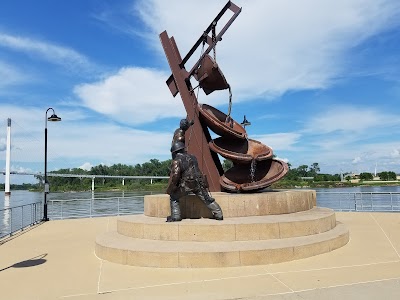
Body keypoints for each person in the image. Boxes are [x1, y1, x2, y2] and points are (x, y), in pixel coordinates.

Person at [166, 141, 223, 222]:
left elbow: (176, 176)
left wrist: (171, 189)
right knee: (207, 198)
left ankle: (176, 216)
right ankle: (219, 214)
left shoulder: (177, 160)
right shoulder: (193, 157)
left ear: (174, 152)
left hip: (186, 184)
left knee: (173, 197)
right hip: (198, 183)